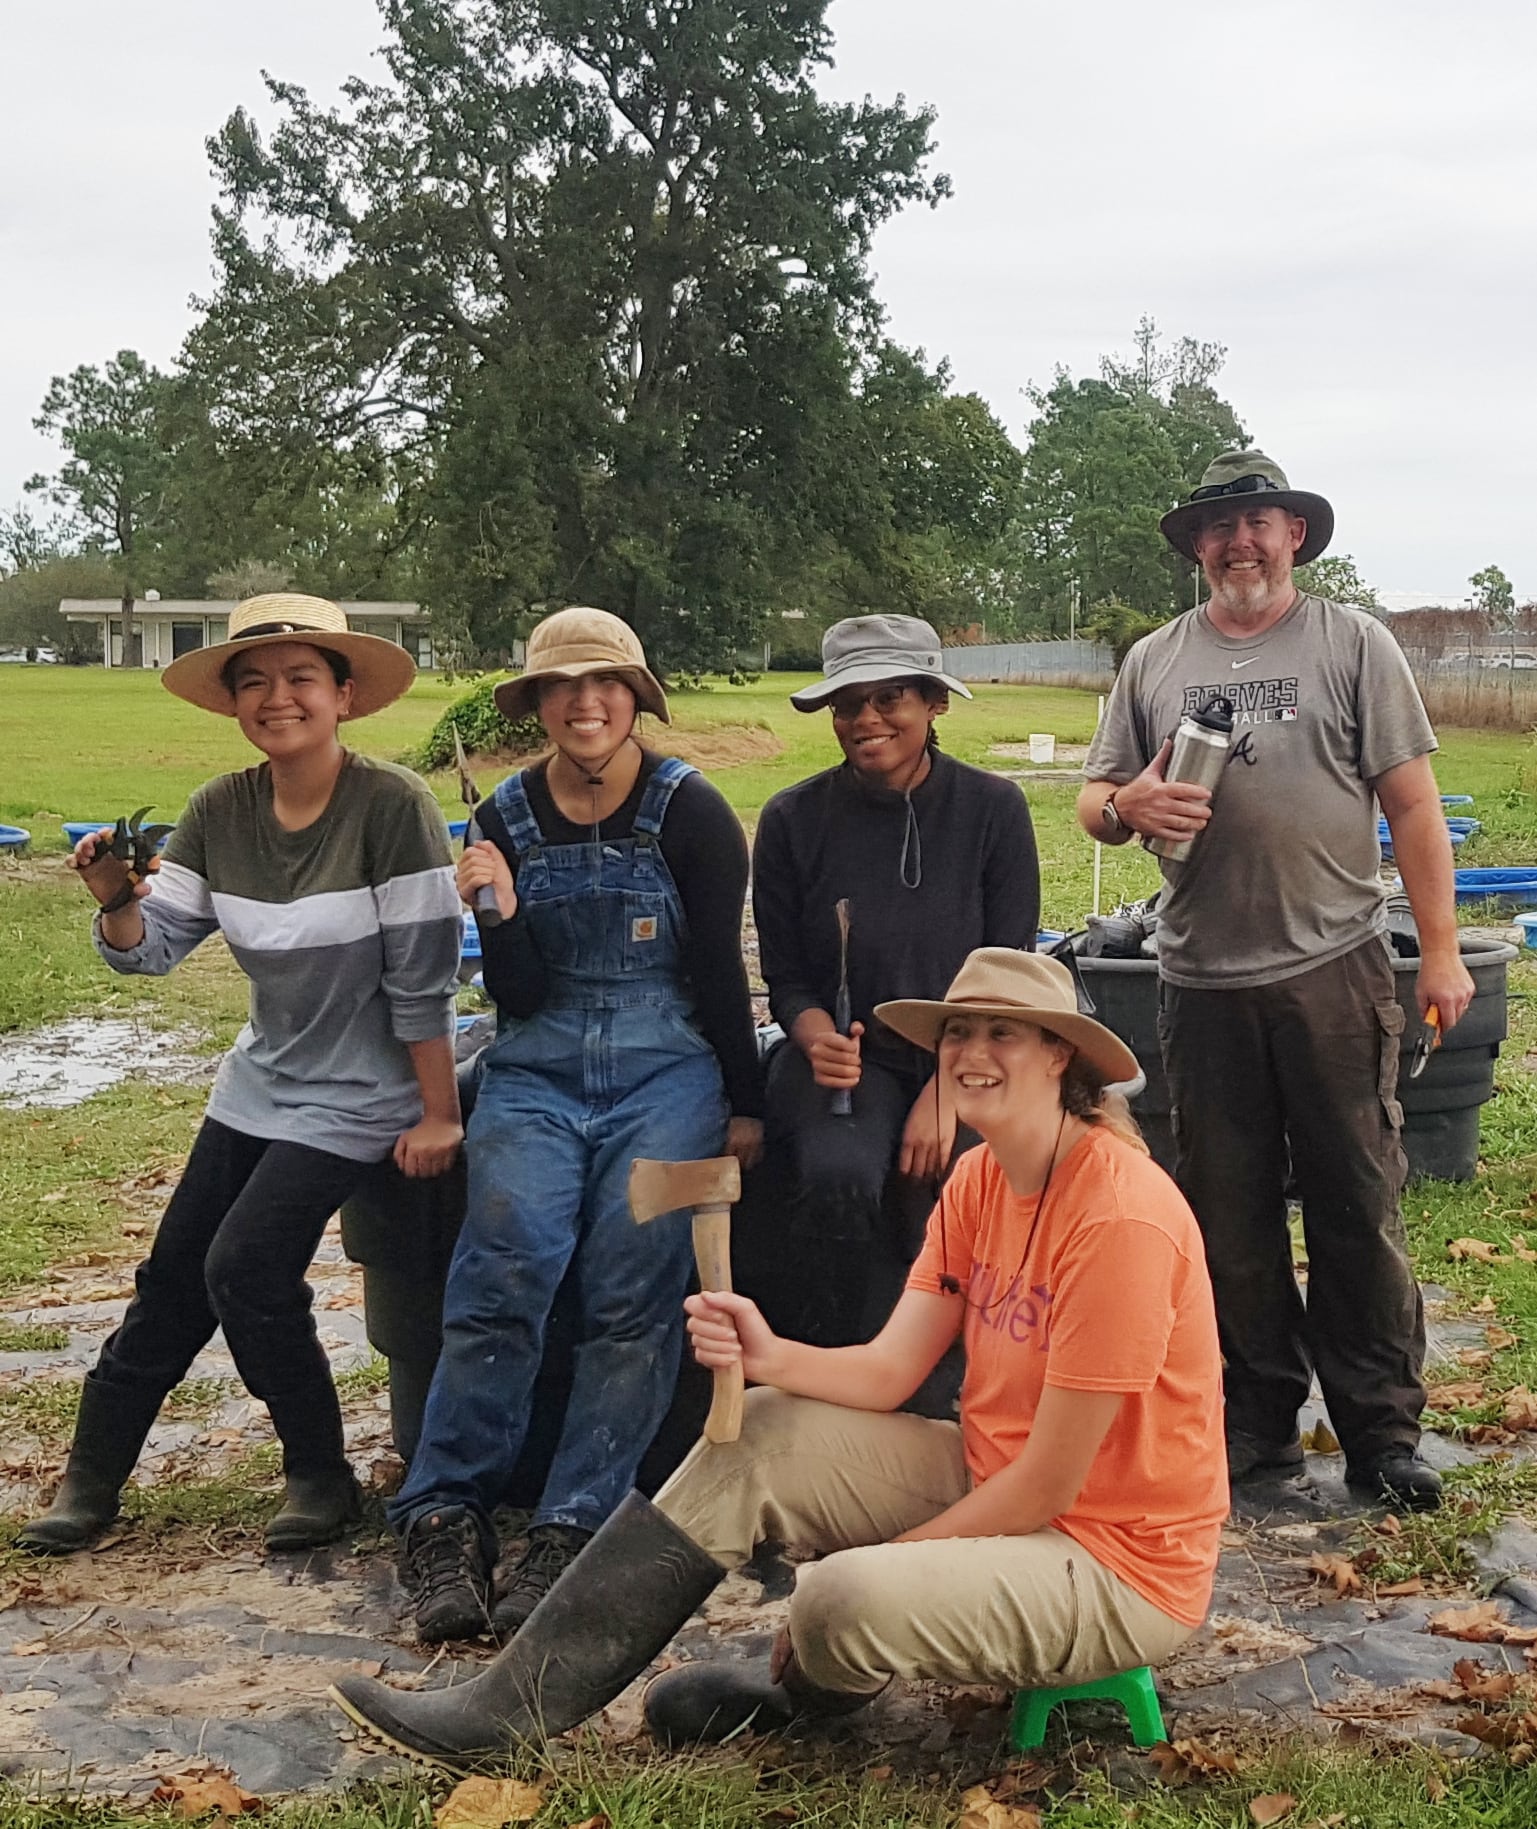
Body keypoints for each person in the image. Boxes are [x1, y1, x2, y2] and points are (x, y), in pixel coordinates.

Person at [330, 948, 1225, 1763]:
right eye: (958, 1030)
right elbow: (887, 1371)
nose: (970, 1051)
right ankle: (511, 1703)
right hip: (993, 1477)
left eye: (1003, 1033)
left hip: (1116, 1564)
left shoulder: (1119, 1219)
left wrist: (892, 1560)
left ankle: (806, 1695)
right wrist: (767, 1352)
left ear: (1060, 1055)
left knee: (839, 1598)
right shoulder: (980, 1178)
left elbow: (1047, 1489)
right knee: (756, 1430)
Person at [21, 594, 463, 1557]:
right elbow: (154, 947)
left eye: (301, 677)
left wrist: (439, 1114)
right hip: (263, 1079)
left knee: (246, 1266)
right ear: (233, 706)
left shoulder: (392, 806)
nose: (277, 698)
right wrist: (113, 903)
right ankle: (90, 1478)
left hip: (365, 1090)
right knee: (174, 1272)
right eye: (253, 682)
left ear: (343, 694)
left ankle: (319, 1472)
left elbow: (424, 978)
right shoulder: (220, 809)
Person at [1076, 449, 1474, 1511]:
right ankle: (1253, 1427)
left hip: (1332, 967)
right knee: (1225, 1213)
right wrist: (1128, 810)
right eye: (1219, 527)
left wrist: (1438, 950)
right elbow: (1095, 794)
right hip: (1199, 978)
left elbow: (1415, 807)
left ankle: (1381, 1434)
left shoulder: (1351, 642)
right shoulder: (1155, 659)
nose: (1239, 541)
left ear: (1293, 533)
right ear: (1197, 547)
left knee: (1354, 1198)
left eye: (1258, 521)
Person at [387, 606, 763, 1646]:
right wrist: (496, 911)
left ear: (636, 695)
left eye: (605, 683)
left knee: (632, 1279)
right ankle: (443, 1513)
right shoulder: (501, 813)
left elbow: (716, 974)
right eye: (562, 686)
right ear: (538, 704)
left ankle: (572, 1520)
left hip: (667, 1072)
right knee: (506, 1257)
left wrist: (743, 1103)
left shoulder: (691, 811)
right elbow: (516, 995)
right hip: (538, 1068)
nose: (584, 702)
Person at [752, 614, 1040, 1342]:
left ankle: (964, 1374)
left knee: (969, 1174)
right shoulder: (791, 819)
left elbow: (1010, 966)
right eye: (848, 704)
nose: (866, 719)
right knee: (839, 1172)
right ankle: (839, 1355)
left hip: (977, 1053)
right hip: (854, 1057)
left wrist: (949, 1088)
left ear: (933, 703)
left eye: (891, 698)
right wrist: (816, 1036)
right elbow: (785, 975)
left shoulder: (992, 810)